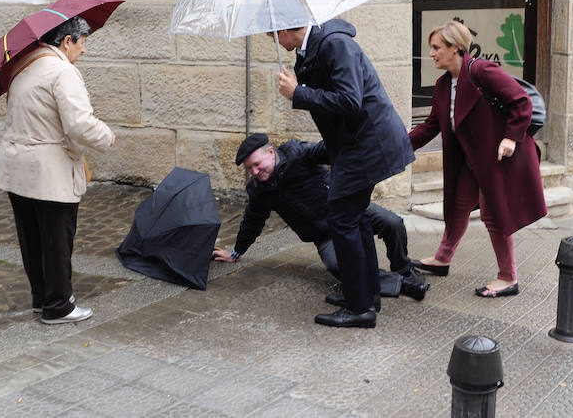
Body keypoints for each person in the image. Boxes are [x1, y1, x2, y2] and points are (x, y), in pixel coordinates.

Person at [274, 19, 415, 328]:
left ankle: (360, 307)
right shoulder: (310, 50)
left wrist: (298, 93)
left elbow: (351, 101)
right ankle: (365, 294)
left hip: (367, 143)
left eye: (271, 34)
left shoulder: (336, 44)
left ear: (285, 29)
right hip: (353, 146)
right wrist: (301, 86)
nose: (271, 40)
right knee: (356, 216)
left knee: (341, 218)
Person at [408, 21, 546, 298]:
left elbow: (521, 102)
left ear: (455, 48)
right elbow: (431, 126)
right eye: (431, 48)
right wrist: (397, 146)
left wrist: (510, 137)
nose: (431, 54)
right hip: (471, 161)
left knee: (493, 215)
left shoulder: (481, 71)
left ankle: (508, 277)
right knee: (457, 206)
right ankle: (443, 258)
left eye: (436, 48)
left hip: (499, 158)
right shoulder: (444, 84)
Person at [0, 16, 115, 324]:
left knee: (32, 238)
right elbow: (79, 125)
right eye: (83, 43)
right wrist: (108, 136)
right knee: (56, 240)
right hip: (49, 172)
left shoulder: (24, 66)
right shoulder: (62, 71)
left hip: (17, 168)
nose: (83, 50)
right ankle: (59, 306)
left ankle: (42, 298)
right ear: (67, 41)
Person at [213, 134, 430, 303]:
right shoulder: (258, 189)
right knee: (339, 266)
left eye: (257, 164)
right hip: (325, 234)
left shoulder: (297, 153)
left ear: (271, 152)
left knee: (393, 223)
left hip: (349, 210)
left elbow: (326, 149)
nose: (255, 171)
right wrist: (236, 251)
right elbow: (253, 220)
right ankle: (403, 283)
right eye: (250, 168)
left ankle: (403, 268)